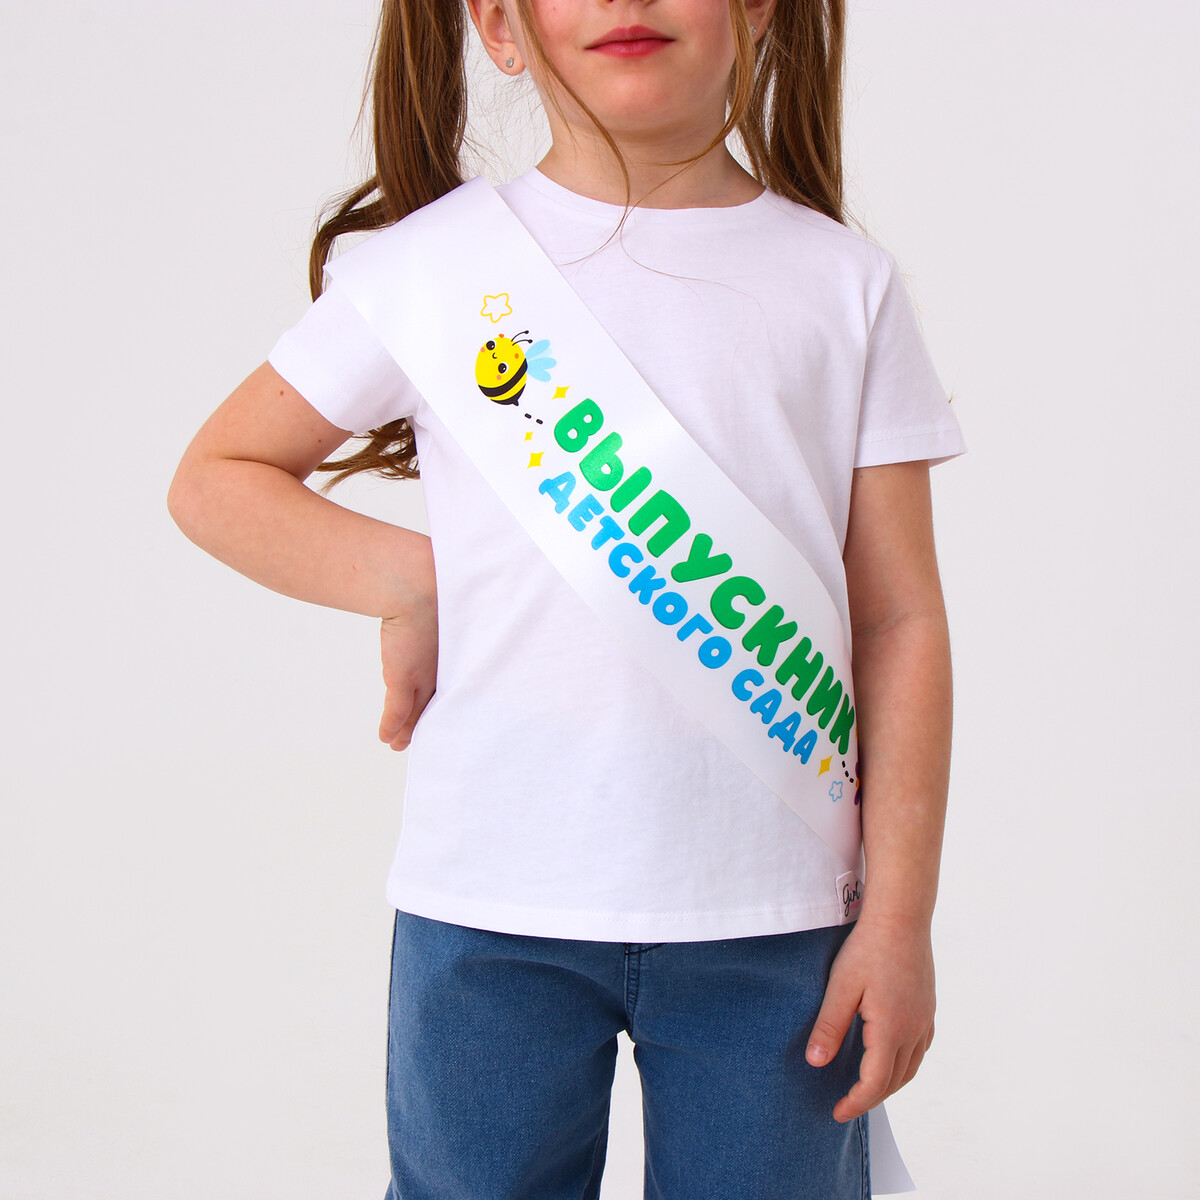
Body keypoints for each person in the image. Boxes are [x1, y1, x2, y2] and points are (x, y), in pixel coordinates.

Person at [168, 0, 965, 1196]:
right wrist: (417, 581)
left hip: (780, 915)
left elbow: (901, 620)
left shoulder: (843, 283)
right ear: (500, 24)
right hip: (490, 903)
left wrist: (899, 920)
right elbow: (216, 479)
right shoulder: (435, 270)